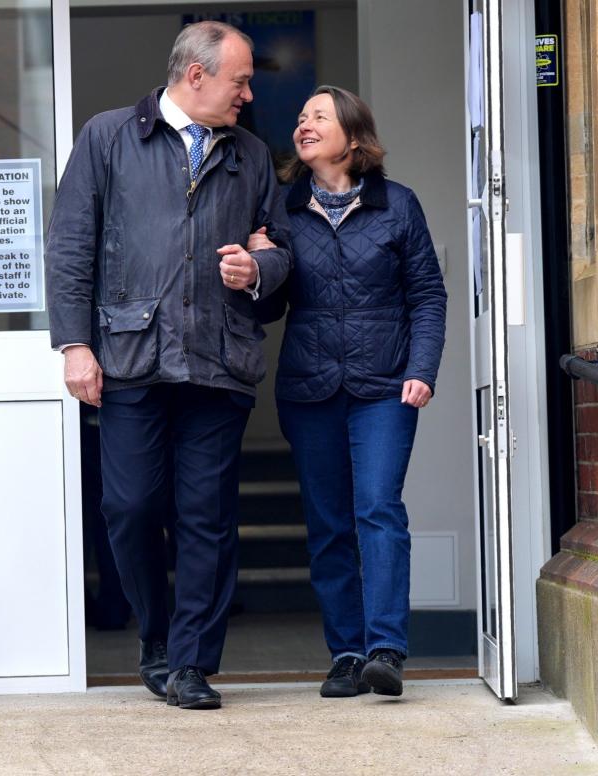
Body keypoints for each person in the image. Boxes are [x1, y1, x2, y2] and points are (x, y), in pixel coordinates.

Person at [45, 21, 292, 710]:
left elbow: (281, 252)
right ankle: (155, 639)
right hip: (129, 358)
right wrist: (74, 344)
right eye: (239, 81)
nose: (247, 95)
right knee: (127, 507)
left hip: (217, 362)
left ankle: (189, 663)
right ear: (195, 76)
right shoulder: (108, 136)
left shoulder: (248, 154)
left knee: (206, 516)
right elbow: (70, 247)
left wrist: (257, 269)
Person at [248, 85, 446, 698]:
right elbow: (273, 306)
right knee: (329, 523)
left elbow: (428, 297)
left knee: (378, 508)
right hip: (309, 389)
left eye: (319, 117)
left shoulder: (398, 206)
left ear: (353, 137)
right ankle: (346, 652)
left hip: (385, 384)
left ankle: (385, 647)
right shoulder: (283, 210)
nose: (303, 125)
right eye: (301, 117)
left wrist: (423, 368)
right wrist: (259, 268)